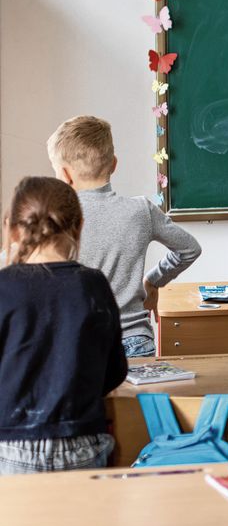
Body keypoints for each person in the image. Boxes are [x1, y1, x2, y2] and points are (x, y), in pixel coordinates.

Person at [0, 176, 127, 526]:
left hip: (12, 451)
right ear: (79, 225)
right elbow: (114, 371)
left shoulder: (3, 288)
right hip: (83, 445)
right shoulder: (92, 284)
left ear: (12, 228)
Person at [47, 115, 202, 358]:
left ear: (65, 175)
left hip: (76, 342)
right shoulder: (142, 210)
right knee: (136, 399)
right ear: (114, 164)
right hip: (134, 340)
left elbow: (11, 263)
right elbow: (189, 249)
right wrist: (154, 281)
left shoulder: (51, 216)